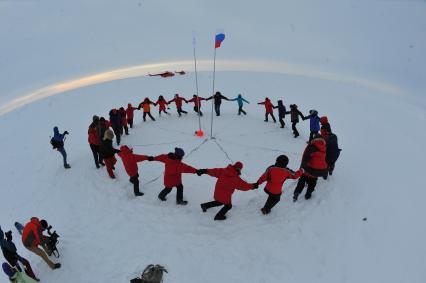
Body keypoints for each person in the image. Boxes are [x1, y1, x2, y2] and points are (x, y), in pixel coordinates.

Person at [293, 135, 328, 201]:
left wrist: (302, 167)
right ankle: (308, 195)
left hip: (308, 169)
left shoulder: (312, 147)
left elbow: (305, 158)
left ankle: (297, 192)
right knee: (312, 183)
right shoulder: (323, 148)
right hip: (316, 171)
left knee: (302, 180)